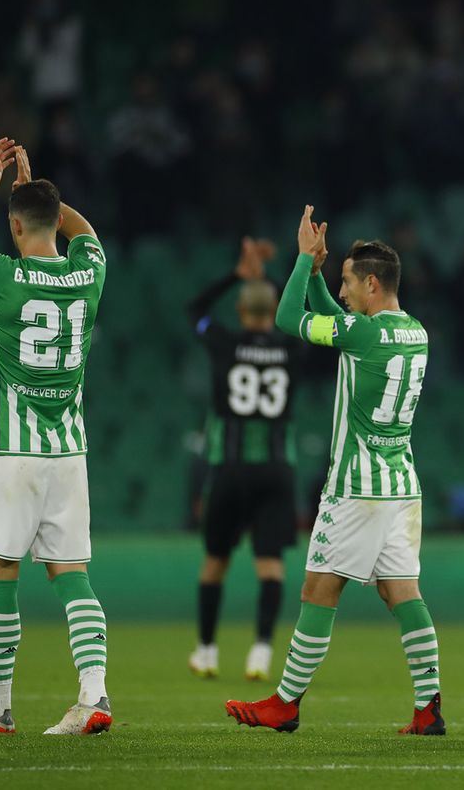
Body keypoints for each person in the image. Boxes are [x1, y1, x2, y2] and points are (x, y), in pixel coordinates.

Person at [226, 208, 444, 736]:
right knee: (402, 593)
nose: (342, 292)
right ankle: (428, 707)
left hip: (357, 487)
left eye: (348, 283)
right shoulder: (415, 333)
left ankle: (286, 703)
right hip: (400, 486)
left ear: (372, 283)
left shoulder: (363, 337)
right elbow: (338, 323)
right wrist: (323, 275)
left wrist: (303, 261)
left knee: (318, 592)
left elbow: (287, 319)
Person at [0, 144, 113, 736]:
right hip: (68, 450)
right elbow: (86, 231)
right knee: (72, 573)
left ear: (15, 227)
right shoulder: (89, 271)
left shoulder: (0, 273)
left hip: (9, 450)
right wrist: (42, 192)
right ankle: (94, 696)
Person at [186, 237, 304, 682]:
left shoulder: (225, 344)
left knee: (216, 561)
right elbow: (292, 313)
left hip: (230, 469)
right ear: (272, 311)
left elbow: (194, 310)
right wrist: (270, 281)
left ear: (240, 311)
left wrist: (238, 276)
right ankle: (260, 651)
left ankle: (207, 650)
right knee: (270, 564)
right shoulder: (291, 347)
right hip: (276, 471)